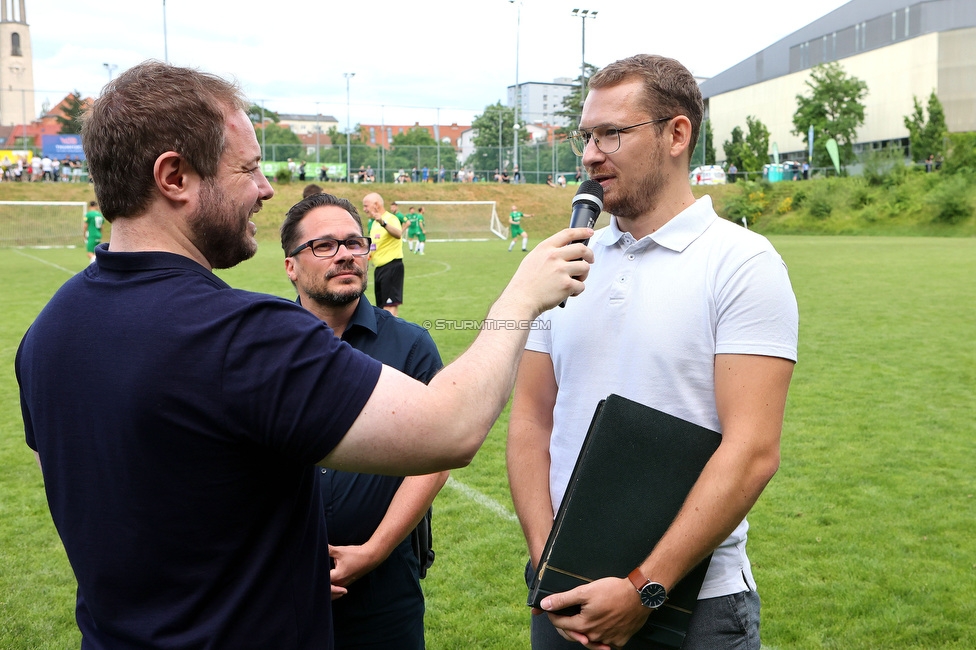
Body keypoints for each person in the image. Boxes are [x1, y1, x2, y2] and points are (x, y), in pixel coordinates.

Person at [16, 61, 594, 650]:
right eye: (248, 169)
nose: (265, 189)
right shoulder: (237, 334)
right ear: (174, 177)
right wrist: (521, 296)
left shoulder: (48, 333)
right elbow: (451, 429)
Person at [506, 54, 798, 650]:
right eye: (586, 135)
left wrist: (645, 588)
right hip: (565, 601)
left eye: (612, 132)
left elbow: (752, 450)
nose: (590, 154)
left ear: (677, 134)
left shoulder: (743, 264)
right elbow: (530, 422)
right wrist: (547, 566)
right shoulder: (556, 263)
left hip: (694, 609)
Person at [280, 192, 448, 648]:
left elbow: (435, 456)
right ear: (290, 266)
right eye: (324, 246)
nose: (346, 255)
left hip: (384, 587)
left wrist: (373, 552)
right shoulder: (265, 344)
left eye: (354, 243)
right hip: (278, 585)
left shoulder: (410, 346)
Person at [362, 191, 406, 316]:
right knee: (382, 308)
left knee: (389, 307)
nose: (364, 209)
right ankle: (390, 334)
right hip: (379, 269)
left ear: (376, 205)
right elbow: (375, 245)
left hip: (391, 267)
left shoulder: (390, 219)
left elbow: (398, 234)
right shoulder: (374, 223)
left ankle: (389, 335)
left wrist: (383, 223)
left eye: (366, 206)